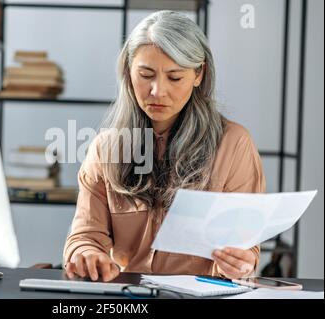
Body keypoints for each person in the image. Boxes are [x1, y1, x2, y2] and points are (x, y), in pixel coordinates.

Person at [63, 11, 266, 282]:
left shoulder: (234, 145)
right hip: (127, 297)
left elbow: (245, 247)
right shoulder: (105, 148)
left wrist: (242, 262)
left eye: (174, 77)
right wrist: (86, 254)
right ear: (128, 73)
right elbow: (85, 236)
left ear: (198, 74)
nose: (157, 91)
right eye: (146, 74)